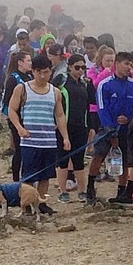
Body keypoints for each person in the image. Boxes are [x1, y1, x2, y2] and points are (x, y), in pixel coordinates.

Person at [6, 53, 70, 216]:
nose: (43, 76)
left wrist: (65, 137)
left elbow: (60, 115)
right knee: (28, 175)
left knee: (45, 175)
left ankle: (41, 203)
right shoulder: (22, 88)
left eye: (46, 72)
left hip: (48, 141)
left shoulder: (55, 92)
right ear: (33, 71)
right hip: (29, 142)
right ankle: (26, 204)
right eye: (39, 72)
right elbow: (11, 110)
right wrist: (19, 128)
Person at [94, 55, 133, 205]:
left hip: (128, 130)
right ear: (117, 64)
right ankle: (90, 187)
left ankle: (122, 192)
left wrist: (129, 119)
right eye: (126, 63)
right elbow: (102, 108)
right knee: (99, 155)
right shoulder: (105, 85)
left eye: (131, 64)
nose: (129, 67)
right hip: (107, 128)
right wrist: (109, 127)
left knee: (125, 160)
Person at [57, 55, 94, 199]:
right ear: (70, 67)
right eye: (77, 67)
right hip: (64, 125)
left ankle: (82, 191)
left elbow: (90, 105)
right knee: (63, 158)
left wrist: (91, 126)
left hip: (81, 126)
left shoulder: (85, 83)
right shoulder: (61, 81)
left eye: (83, 68)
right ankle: (62, 191)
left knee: (79, 159)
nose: (80, 71)